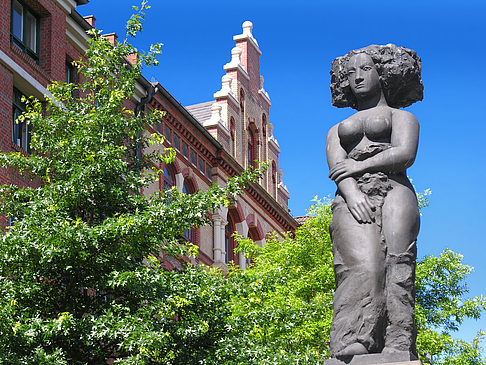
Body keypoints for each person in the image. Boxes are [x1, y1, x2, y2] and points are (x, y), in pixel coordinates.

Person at [326, 44, 423, 358]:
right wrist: (352, 193)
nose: (357, 77)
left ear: (382, 73)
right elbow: (337, 169)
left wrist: (359, 165)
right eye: (351, 72)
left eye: (365, 69)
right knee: (361, 265)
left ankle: (398, 343)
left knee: (399, 263)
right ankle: (355, 337)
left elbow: (405, 154)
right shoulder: (335, 131)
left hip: (395, 188)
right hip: (351, 196)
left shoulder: (403, 117)